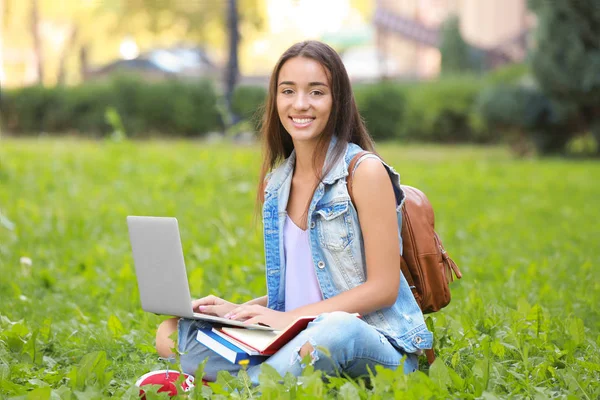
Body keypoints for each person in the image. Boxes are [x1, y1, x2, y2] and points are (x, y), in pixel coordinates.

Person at [153, 40, 432, 385]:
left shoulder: (364, 172)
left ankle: (237, 384)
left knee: (335, 331)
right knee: (171, 331)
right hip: (300, 333)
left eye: (316, 92)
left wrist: (286, 320)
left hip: (372, 341)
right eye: (288, 91)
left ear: (337, 101)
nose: (300, 104)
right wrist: (238, 312)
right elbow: (307, 286)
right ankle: (258, 378)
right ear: (276, 99)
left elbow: (383, 288)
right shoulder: (277, 183)